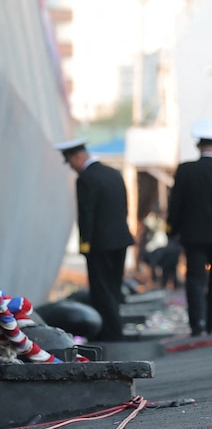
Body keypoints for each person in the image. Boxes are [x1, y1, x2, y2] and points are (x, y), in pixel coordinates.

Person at [54, 138, 134, 341]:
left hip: (99, 244)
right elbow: (124, 207)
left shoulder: (86, 179)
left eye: (70, 161)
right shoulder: (113, 173)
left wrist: (85, 244)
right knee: (114, 287)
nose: (71, 167)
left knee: (101, 290)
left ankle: (111, 334)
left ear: (78, 157)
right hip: (121, 240)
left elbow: (86, 215)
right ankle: (115, 330)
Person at [166, 119, 212, 337]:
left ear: (198, 146)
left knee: (195, 280)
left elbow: (175, 203)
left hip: (193, 235)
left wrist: (172, 229)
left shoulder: (185, 170)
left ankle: (197, 324)